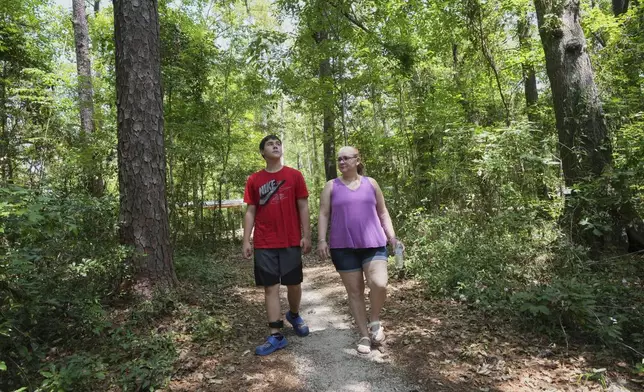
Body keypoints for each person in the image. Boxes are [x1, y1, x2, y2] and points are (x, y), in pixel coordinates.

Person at [317, 146, 402, 355]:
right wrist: (321, 240)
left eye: (346, 158)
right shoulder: (331, 186)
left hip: (373, 243)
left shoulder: (371, 183)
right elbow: (324, 214)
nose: (342, 162)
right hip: (343, 246)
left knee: (379, 283)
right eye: (339, 159)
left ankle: (374, 321)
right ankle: (364, 333)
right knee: (354, 292)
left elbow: (383, 212)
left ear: (357, 160)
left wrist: (392, 237)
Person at [242, 134, 312, 356]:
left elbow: (303, 206)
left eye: (278, 143)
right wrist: (246, 239)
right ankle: (276, 335)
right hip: (264, 242)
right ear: (263, 152)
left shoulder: (294, 176)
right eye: (270, 144)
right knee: (270, 287)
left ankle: (293, 313)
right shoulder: (254, 179)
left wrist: (307, 235)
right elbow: (251, 210)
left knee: (293, 284)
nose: (275, 146)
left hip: (290, 239)